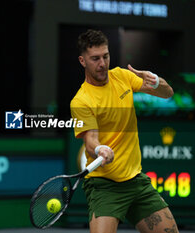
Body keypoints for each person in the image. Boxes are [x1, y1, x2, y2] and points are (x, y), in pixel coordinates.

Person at [70, 29, 176, 233]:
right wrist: (100, 148)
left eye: (105, 56)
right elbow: (90, 140)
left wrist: (154, 80)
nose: (102, 63)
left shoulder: (122, 77)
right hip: (104, 185)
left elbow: (167, 93)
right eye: (95, 59)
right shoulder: (82, 100)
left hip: (136, 181)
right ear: (83, 61)